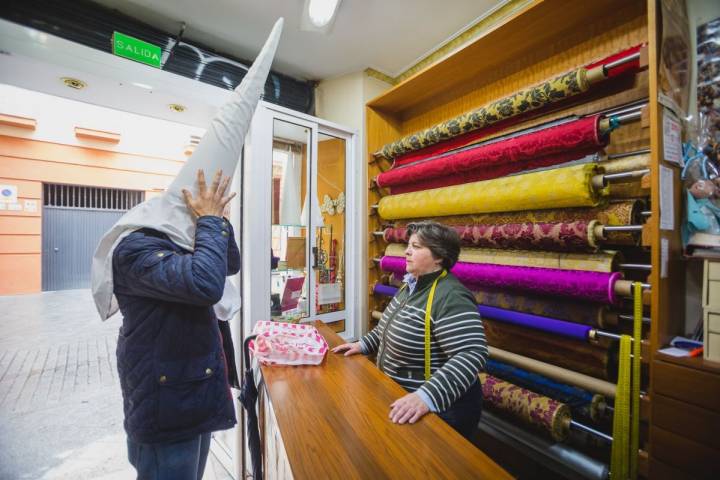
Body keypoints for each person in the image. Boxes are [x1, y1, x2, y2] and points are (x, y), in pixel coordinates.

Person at [112, 169, 238, 479]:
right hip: (166, 403)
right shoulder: (135, 250)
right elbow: (206, 284)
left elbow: (230, 264)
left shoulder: (182, 242)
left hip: (192, 388)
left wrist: (218, 219)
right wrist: (209, 223)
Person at [332, 221, 488, 439]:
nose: (406, 251)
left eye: (416, 246)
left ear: (439, 257)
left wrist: (426, 397)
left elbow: (472, 354)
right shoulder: (412, 285)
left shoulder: (450, 296)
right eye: (408, 245)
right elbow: (386, 326)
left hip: (440, 411)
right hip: (403, 399)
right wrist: (362, 344)